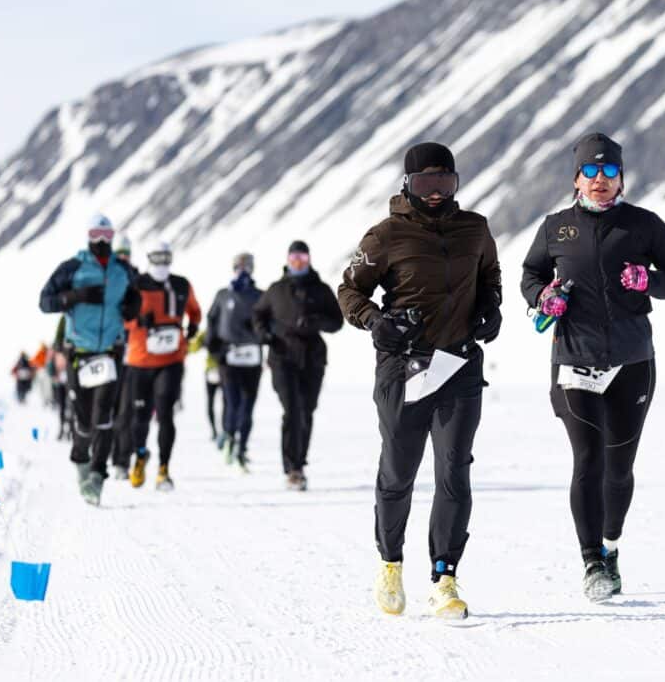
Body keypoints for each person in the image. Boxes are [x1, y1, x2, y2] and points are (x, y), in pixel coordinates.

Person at [520, 132, 665, 602]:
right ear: (576, 179)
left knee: (618, 468)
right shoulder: (556, 228)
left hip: (631, 362)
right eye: (591, 171)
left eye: (610, 171)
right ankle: (592, 561)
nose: (600, 179)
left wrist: (649, 281)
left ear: (622, 179)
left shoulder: (643, 225)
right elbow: (530, 275)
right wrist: (543, 296)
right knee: (588, 459)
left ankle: (611, 545)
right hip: (573, 361)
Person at [337, 142, 502, 620]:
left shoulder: (475, 228)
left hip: (459, 365)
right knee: (399, 471)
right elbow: (349, 290)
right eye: (426, 183)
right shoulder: (386, 234)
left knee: (454, 470)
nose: (436, 193)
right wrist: (376, 321)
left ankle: (444, 578)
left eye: (445, 183)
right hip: (403, 369)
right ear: (407, 184)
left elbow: (490, 276)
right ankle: (390, 563)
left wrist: (490, 309)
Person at [38, 213, 141, 505]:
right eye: (96, 234)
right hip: (79, 354)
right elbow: (44, 302)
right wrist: (75, 296)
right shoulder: (72, 268)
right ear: (88, 236)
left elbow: (137, 295)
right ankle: (81, 461)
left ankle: (97, 476)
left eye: (107, 235)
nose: (101, 240)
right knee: (83, 423)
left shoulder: (123, 270)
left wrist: (134, 304)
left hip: (110, 352)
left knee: (104, 418)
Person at [253, 241, 342, 490]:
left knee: (306, 410)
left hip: (313, 358)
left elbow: (337, 322)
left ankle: (299, 462)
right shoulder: (276, 289)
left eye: (302, 258)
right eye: (294, 258)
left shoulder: (321, 289)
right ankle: (293, 469)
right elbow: (258, 314)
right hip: (282, 357)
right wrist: (265, 335)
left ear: (309, 259)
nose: (298, 263)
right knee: (292, 409)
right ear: (287, 260)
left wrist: (316, 321)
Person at [123, 242, 201, 491]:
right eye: (157, 258)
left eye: (166, 257)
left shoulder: (181, 285)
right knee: (140, 416)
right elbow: (122, 317)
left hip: (171, 360)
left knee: (166, 413)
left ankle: (164, 469)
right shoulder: (135, 285)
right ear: (149, 258)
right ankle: (140, 455)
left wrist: (192, 327)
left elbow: (195, 310)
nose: (161, 263)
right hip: (140, 361)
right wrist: (138, 321)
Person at [205, 252, 264, 470]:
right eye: (239, 266)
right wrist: (214, 348)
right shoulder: (223, 295)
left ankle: (242, 447)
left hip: (253, 359)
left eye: (247, 266)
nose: (243, 270)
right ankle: (229, 436)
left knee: (248, 406)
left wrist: (259, 330)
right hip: (228, 359)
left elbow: (270, 323)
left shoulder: (260, 296)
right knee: (232, 402)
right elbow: (211, 321)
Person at [110, 231, 138, 480]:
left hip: (132, 353)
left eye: (126, 254)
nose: (123, 258)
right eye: (119, 254)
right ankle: (106, 452)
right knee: (106, 407)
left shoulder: (138, 280)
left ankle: (122, 460)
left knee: (126, 410)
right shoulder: (104, 279)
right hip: (106, 351)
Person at [188, 330, 225, 443]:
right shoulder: (227, 328)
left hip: (212, 370)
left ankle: (215, 431)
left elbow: (192, 349)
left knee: (211, 402)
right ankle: (224, 430)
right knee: (227, 403)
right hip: (225, 370)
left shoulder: (207, 332)